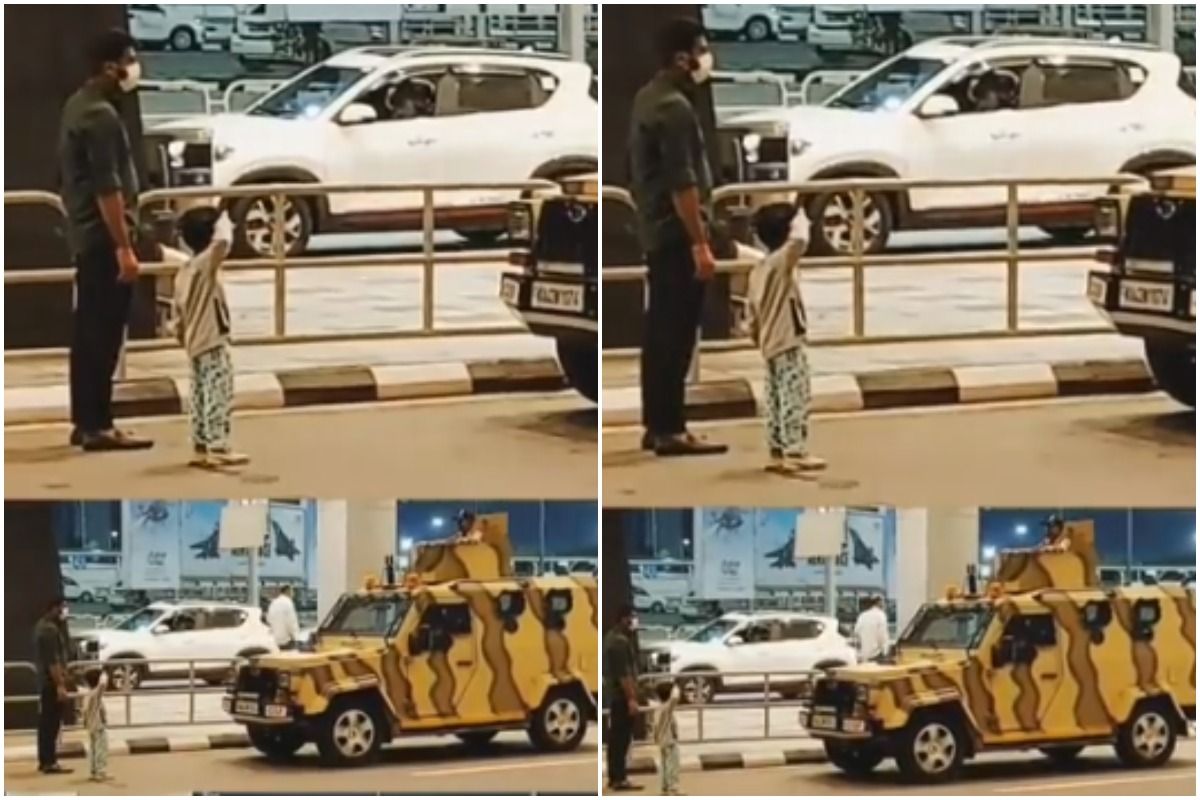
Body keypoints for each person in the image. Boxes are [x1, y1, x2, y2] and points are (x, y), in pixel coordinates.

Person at [629, 18, 727, 457]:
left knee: (659, 333)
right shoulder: (675, 109)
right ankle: (671, 428)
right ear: (682, 57)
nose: (706, 59)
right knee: (677, 334)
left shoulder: (647, 98)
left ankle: (657, 423)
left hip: (655, 231)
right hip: (676, 236)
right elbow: (682, 183)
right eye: (701, 50)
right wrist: (700, 243)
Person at [59, 30, 153, 452]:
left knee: (87, 334)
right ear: (110, 66)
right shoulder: (101, 117)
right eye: (129, 59)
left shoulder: (76, 106)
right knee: (104, 334)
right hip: (103, 240)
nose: (134, 68)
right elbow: (107, 188)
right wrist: (124, 247)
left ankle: (85, 420)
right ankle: (99, 424)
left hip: (85, 235)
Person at [747, 204, 826, 476]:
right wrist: (801, 218)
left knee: (774, 398)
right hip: (788, 340)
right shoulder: (781, 263)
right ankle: (795, 451)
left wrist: (757, 337)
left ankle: (777, 450)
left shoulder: (758, 270)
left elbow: (751, 315)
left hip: (769, 343)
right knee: (795, 394)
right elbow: (800, 241)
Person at [174, 206, 247, 468]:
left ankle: (200, 444)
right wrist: (223, 220)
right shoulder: (205, 265)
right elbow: (223, 243)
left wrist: (182, 337)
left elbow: (177, 315)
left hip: (194, 342)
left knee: (199, 393)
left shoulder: (184, 271)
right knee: (218, 391)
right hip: (212, 339)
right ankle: (218, 445)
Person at [603, 604, 642, 792]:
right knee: (621, 739)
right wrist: (632, 699)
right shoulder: (619, 642)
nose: (634, 621)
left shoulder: (611, 637)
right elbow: (624, 675)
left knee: (616, 738)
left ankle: (615, 777)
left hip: (615, 696)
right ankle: (619, 777)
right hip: (621, 697)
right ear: (623, 619)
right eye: (632, 617)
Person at [34, 597, 73, 774]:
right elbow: (53, 661)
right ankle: (49, 761)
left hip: (47, 682)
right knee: (51, 724)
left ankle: (46, 760)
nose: (64, 612)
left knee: (47, 723)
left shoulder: (43, 626)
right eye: (62, 608)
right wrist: (60, 685)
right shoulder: (49, 630)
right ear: (53, 608)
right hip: (51, 683)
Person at [651, 681, 683, 795]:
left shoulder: (658, 709)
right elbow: (674, 698)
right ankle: (673, 787)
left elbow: (655, 727)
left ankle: (664, 787)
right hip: (669, 741)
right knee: (672, 764)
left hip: (662, 740)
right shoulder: (666, 708)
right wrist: (676, 687)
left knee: (664, 764)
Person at [80, 669, 110, 782]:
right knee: (101, 748)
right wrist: (104, 674)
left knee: (93, 748)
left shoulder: (87, 695)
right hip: (98, 726)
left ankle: (93, 770)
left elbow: (84, 712)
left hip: (91, 725)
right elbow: (102, 685)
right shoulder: (95, 694)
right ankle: (100, 771)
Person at [854, 596, 890, 663]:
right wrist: (885, 651)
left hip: (863, 655)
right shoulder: (881, 615)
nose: (884, 605)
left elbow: (856, 633)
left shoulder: (862, 616)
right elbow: (882, 636)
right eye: (883, 603)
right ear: (878, 603)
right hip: (876, 655)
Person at [266, 585, 300, 650]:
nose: (293, 594)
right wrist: (295, 637)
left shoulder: (273, 602)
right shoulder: (288, 602)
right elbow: (291, 621)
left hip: (275, 640)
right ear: (288, 591)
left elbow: (269, 619)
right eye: (292, 591)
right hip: (287, 640)